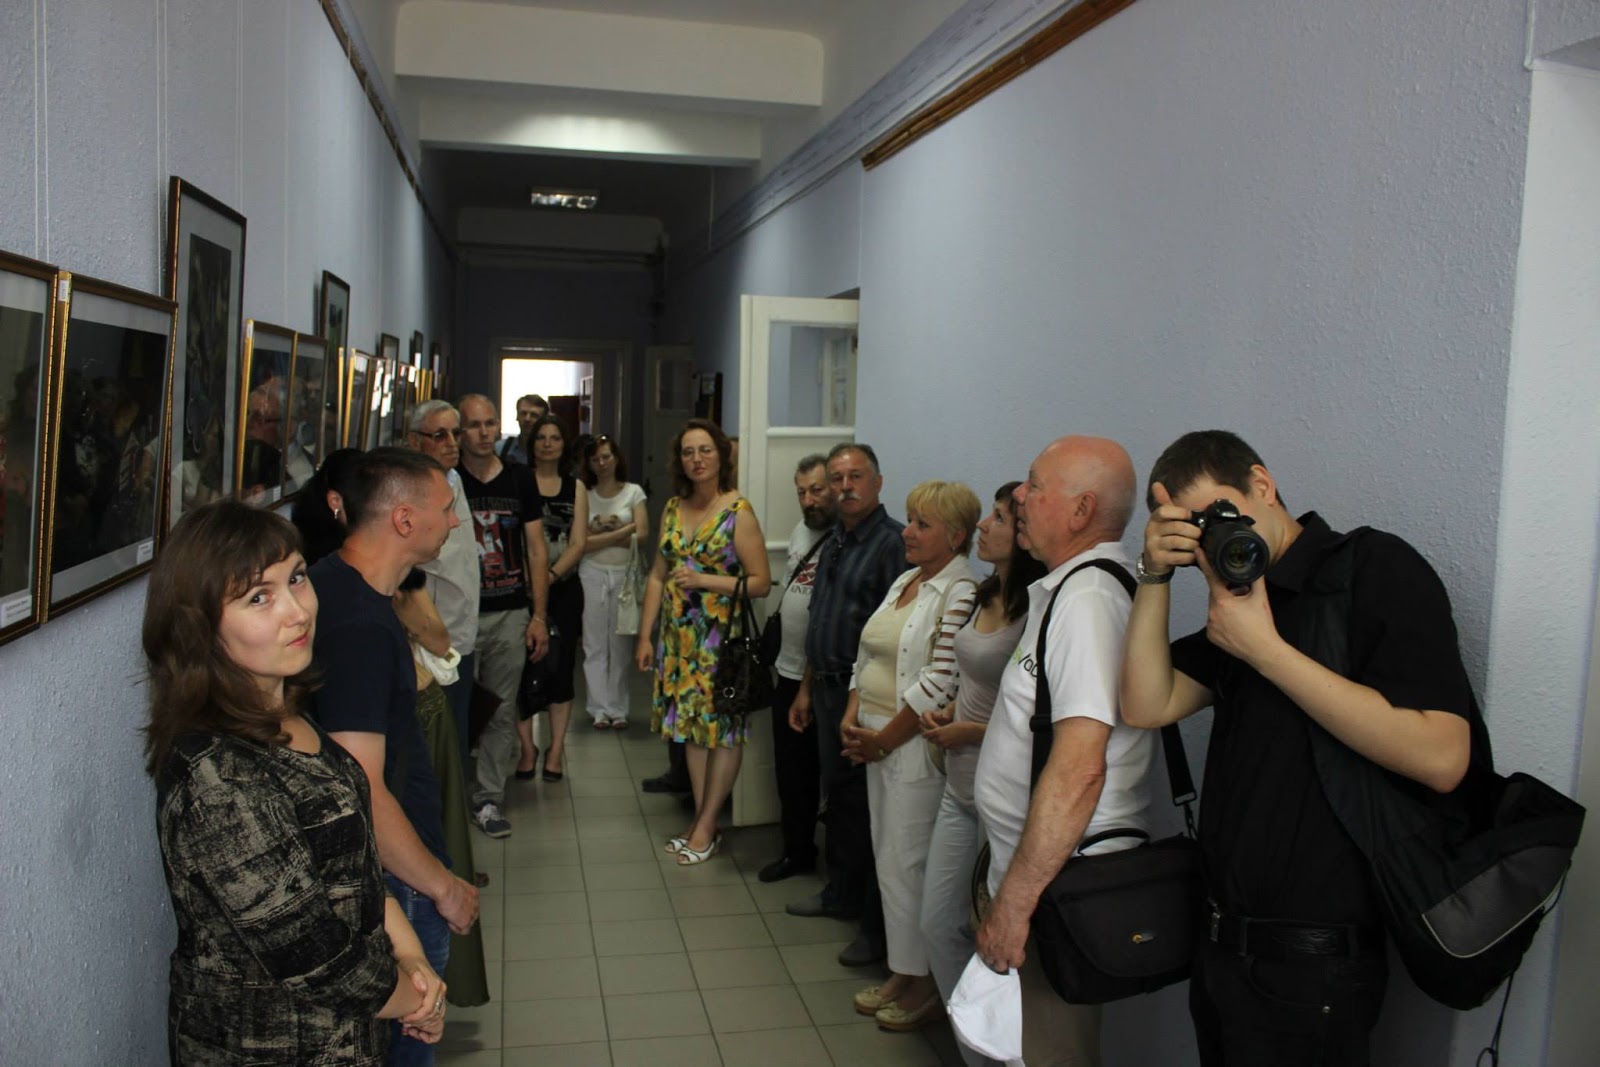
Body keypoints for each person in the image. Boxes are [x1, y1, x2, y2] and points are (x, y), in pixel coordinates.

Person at [1120, 430, 1473, 1067]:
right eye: (1195, 531)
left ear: (1262, 483)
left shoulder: (1369, 568)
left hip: (1316, 965)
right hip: (1222, 950)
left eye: (1220, 513)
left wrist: (1266, 651)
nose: (1215, 537)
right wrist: (1153, 576)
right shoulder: (1240, 608)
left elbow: (1443, 758)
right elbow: (1147, 704)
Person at [144, 500, 447, 1065]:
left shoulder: (287, 712)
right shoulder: (219, 777)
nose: (297, 611)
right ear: (198, 626)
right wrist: (418, 1002)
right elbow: (315, 957)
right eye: (258, 598)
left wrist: (410, 955)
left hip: (352, 1033)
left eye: (297, 579)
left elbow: (351, 868)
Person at [972, 435, 1154, 1067]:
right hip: (1041, 877)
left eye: (1034, 484)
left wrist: (1014, 906)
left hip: (1057, 889)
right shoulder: (1069, 589)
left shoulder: (1090, 600)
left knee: (1051, 1052)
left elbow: (1080, 769)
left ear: (1081, 511)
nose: (1020, 496)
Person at [293, 451, 491, 1011]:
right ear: (404, 520)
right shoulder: (359, 628)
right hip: (396, 880)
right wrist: (443, 887)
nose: (455, 522)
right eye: (446, 509)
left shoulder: (339, 584)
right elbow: (362, 789)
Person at [843, 481, 981, 1032]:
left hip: (910, 744)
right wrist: (853, 711)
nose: (908, 532)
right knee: (890, 860)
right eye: (910, 520)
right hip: (875, 734)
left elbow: (942, 677)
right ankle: (904, 970)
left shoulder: (961, 590)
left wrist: (885, 739)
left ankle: (925, 982)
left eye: (923, 524)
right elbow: (867, 651)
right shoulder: (907, 580)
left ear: (957, 535)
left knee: (911, 862)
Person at [918, 481, 1045, 1066]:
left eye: (997, 518)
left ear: (1023, 534)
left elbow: (1035, 714)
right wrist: (952, 712)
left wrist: (972, 731)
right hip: (958, 785)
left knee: (988, 937)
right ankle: (973, 1050)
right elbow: (973, 678)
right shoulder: (982, 591)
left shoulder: (1037, 607)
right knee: (937, 924)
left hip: (1002, 800)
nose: (984, 528)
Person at [786, 443, 907, 968]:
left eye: (855, 477)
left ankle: (869, 922)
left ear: (877, 482)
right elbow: (822, 616)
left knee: (863, 807)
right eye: (836, 479)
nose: (844, 487)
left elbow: (894, 633)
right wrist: (806, 688)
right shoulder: (834, 538)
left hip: (868, 697)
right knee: (837, 797)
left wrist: (856, 701)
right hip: (827, 686)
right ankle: (839, 892)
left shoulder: (892, 544)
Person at [635, 418, 771, 864]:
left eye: (705, 450)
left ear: (721, 456)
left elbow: (760, 582)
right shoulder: (673, 508)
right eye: (688, 452)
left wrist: (704, 580)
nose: (697, 459)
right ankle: (701, 822)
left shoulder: (738, 512)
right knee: (690, 734)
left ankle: (708, 825)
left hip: (720, 643)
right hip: (678, 642)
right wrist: (645, 636)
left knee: (723, 735)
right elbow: (657, 576)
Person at [457, 394, 550, 838]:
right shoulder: (447, 481)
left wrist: (539, 616)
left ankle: (488, 798)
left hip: (509, 611)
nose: (483, 432)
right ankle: (447, 795)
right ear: (460, 432)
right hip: (457, 616)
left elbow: (537, 550)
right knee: (453, 710)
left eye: (490, 423)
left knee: (500, 710)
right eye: (474, 425)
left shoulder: (520, 478)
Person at [757, 454, 837, 883]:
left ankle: (839, 870)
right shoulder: (800, 532)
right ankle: (797, 851)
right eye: (802, 492)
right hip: (786, 672)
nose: (808, 500)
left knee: (830, 776)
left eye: (817, 490)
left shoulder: (845, 539)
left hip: (822, 678)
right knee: (791, 773)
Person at [406, 399, 480, 775]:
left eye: (456, 433)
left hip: (462, 628)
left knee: (458, 734)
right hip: (431, 637)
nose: (452, 443)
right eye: (439, 435)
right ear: (415, 441)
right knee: (435, 742)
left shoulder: (454, 479)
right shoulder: (408, 490)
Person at [517, 413, 588, 778]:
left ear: (564, 445)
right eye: (541, 437)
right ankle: (527, 747)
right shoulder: (519, 480)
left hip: (564, 589)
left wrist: (550, 575)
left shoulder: (575, 487)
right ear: (532, 444)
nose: (547, 444)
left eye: (555, 437)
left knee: (560, 670)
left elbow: (578, 543)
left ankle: (556, 749)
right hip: (522, 590)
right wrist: (531, 579)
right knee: (521, 670)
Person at [579, 434, 648, 729]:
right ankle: (598, 708)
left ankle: (617, 708)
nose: (602, 463)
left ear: (616, 458)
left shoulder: (634, 492)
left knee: (620, 643)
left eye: (606, 457)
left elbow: (642, 535)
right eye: (595, 459)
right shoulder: (584, 493)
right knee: (594, 643)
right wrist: (623, 530)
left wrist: (600, 533)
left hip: (624, 575)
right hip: (591, 573)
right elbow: (580, 542)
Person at [497, 393, 547, 465]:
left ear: (544, 421)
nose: (527, 419)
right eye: (523, 413)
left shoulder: (550, 450)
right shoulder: (500, 449)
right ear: (517, 416)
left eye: (534, 415)